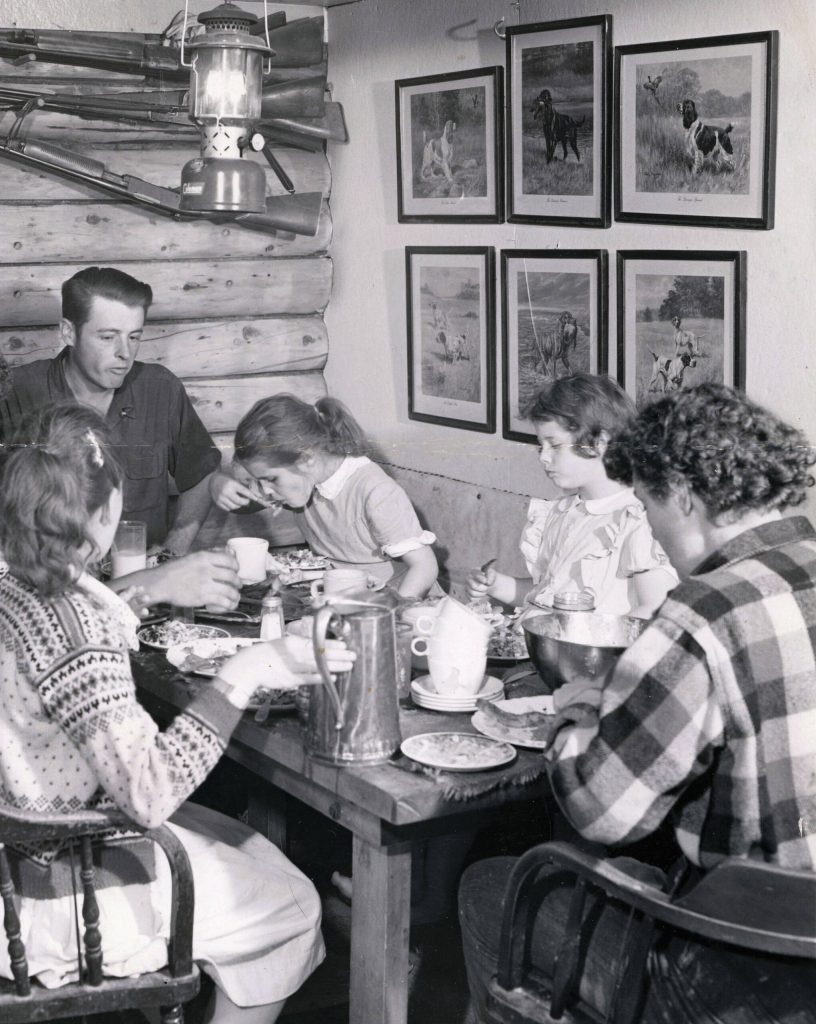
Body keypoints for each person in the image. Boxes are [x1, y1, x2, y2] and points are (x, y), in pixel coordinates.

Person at [459, 383, 816, 1023]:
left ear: (682, 495)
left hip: (746, 972)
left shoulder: (704, 612)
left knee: (491, 885)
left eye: (648, 505)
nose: (648, 524)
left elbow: (604, 814)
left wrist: (578, 713)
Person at [0, 402, 355, 1024]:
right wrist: (247, 672)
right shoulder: (80, 630)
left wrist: (148, 591)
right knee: (294, 906)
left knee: (253, 849)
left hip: (22, 843)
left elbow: (60, 655)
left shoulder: (13, 584)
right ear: (109, 511)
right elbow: (149, 794)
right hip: (52, 890)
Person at [0, 266, 241, 612]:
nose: (124, 353)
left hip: (151, 597)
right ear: (68, 332)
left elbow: (201, 472)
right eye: (108, 336)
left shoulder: (160, 388)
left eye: (134, 336)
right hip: (52, 605)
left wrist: (175, 550)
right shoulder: (18, 392)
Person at [467, 373, 677, 619]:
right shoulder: (560, 512)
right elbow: (546, 595)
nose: (543, 457)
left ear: (598, 444)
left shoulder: (638, 521)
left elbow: (653, 611)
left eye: (554, 446)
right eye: (540, 446)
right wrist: (497, 585)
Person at [210, 393, 439, 599]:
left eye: (270, 479)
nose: (265, 490)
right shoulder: (305, 482)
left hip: (402, 609)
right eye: (258, 481)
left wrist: (388, 615)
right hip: (343, 602)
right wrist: (218, 484)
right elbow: (244, 504)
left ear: (307, 458)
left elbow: (425, 568)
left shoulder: (375, 492)